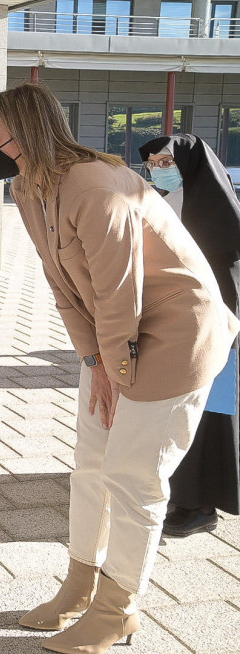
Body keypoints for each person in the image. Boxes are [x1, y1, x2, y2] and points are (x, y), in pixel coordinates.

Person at [0, 83, 239, 653]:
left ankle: (119, 609)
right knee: (91, 465)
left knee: (134, 476)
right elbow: (60, 281)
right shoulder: (28, 186)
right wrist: (95, 361)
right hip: (115, 338)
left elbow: (120, 289)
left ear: (28, 132)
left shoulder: (96, 188)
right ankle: (80, 586)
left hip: (173, 333)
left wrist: (114, 369)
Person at [139, 134, 240, 538]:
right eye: (152, 163)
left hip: (215, 329)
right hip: (174, 323)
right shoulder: (163, 201)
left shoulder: (216, 211)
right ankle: (180, 493)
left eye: (166, 162)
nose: (159, 169)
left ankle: (199, 505)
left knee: (208, 417)